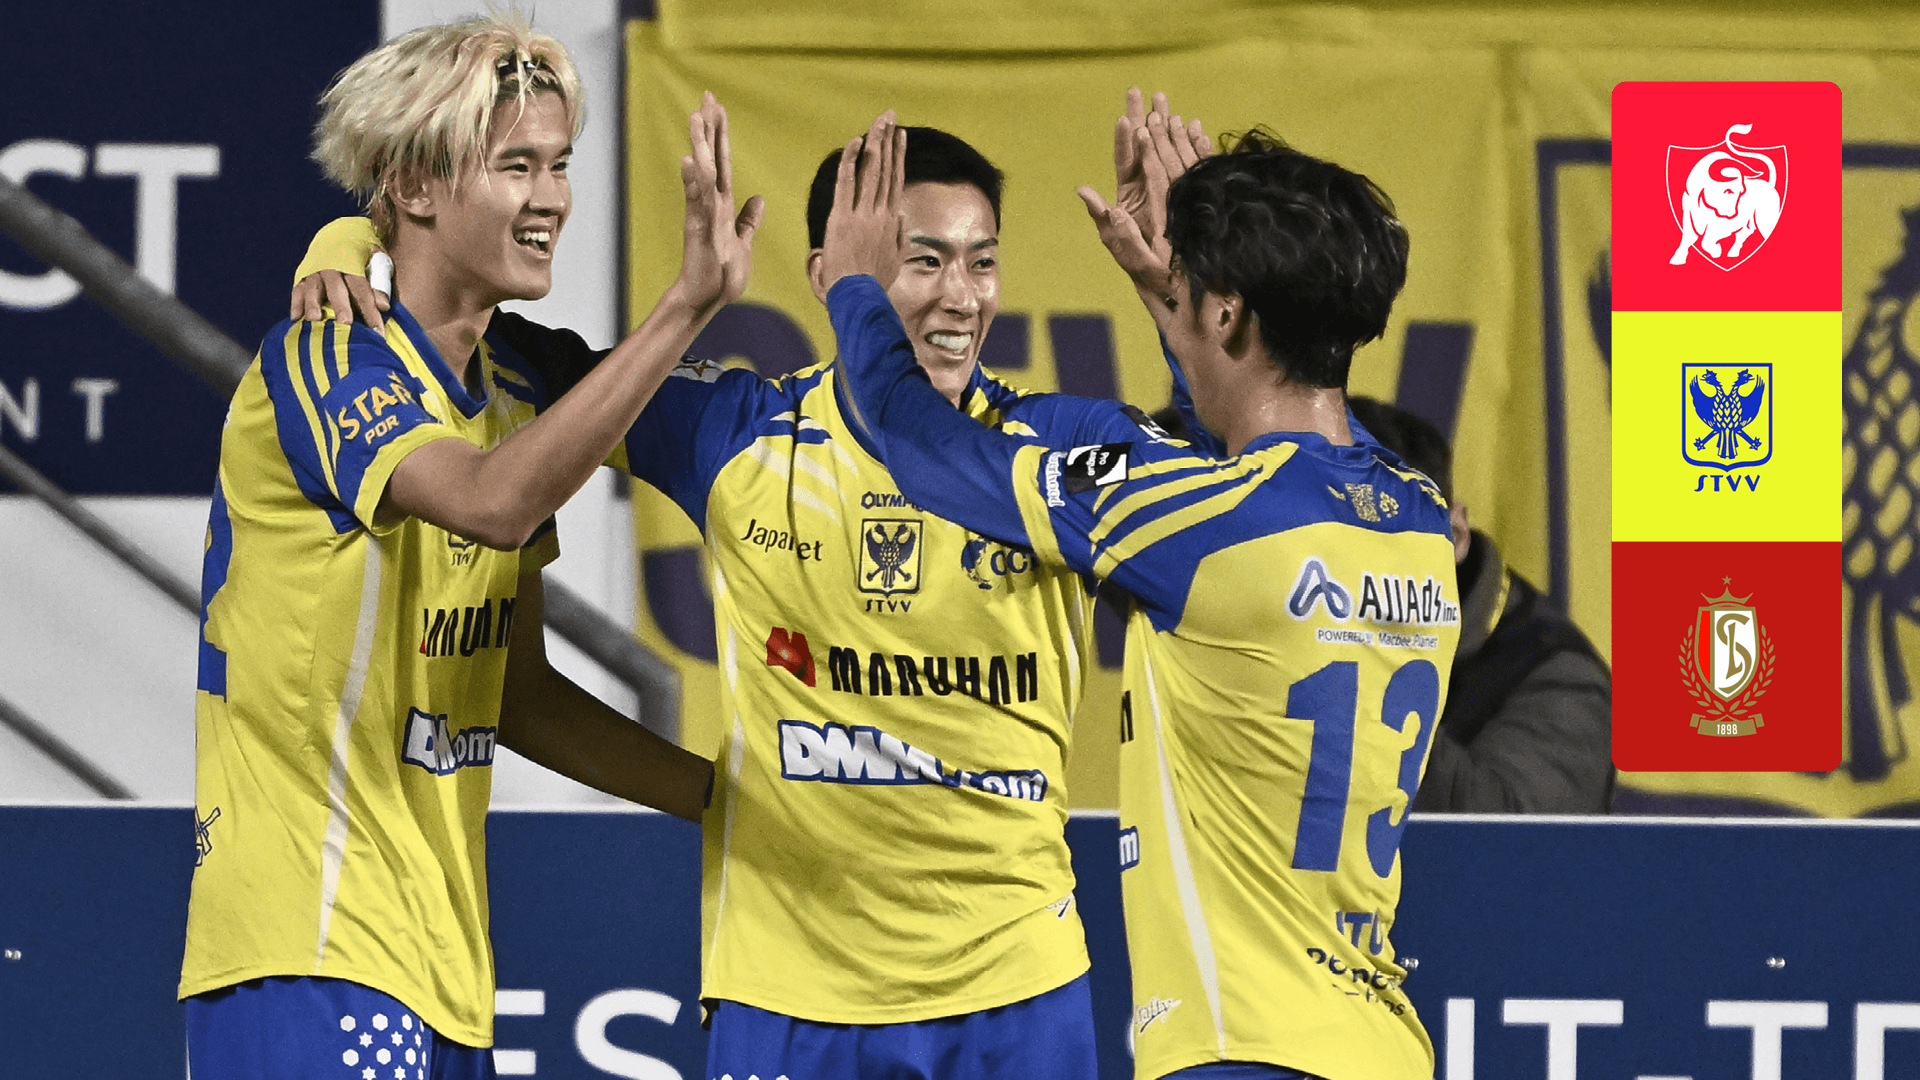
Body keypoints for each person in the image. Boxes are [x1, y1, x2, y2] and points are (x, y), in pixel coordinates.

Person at [290, 97, 1224, 1078]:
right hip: (788, 997)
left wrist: (1182, 304)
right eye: (922, 260)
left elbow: (1227, 503)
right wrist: (350, 246)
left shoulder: (1056, 447)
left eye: (981, 261)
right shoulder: (735, 430)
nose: (961, 297)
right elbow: (475, 331)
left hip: (1018, 994)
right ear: (830, 276)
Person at [822, 108, 1460, 1080]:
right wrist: (1184, 295)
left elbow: (923, 448)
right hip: (1382, 1049)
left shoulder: (1204, 524)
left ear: (1229, 314)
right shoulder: (1414, 514)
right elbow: (1259, 444)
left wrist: (859, 292)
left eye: (1194, 290)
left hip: (1242, 1051)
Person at [180, 15, 761, 1078]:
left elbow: (515, 696)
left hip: (443, 971)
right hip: (311, 951)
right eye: (515, 166)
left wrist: (732, 805)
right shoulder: (325, 356)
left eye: (559, 164)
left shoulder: (514, 388)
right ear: (413, 184)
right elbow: (489, 503)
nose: (551, 199)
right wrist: (684, 307)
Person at [1347, 397, 1614, 813]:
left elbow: (1503, 842)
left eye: (1361, 539)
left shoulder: (1558, 680)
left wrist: (1353, 680)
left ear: (1454, 535)